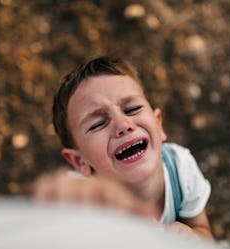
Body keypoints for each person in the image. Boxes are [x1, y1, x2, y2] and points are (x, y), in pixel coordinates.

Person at [33, 56, 213, 240]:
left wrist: (193, 238)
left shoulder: (180, 170)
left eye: (132, 108)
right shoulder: (83, 204)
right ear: (80, 161)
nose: (123, 124)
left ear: (158, 126)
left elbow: (202, 229)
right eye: (98, 124)